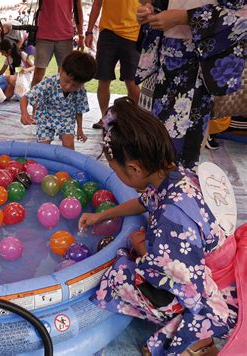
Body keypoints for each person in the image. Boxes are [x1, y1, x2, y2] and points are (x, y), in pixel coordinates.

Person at [78, 97, 238, 355]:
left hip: (210, 289)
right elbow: (145, 202)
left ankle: (195, 338)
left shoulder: (171, 218)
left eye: (114, 169)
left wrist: (142, 248)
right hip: (201, 263)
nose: (116, 174)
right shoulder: (177, 175)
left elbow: (180, 282)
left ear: (133, 168)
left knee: (119, 272)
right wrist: (100, 217)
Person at [136, 0, 246, 169]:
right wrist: (151, 10)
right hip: (164, 60)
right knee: (156, 138)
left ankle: (177, 189)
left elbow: (241, 14)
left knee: (181, 146)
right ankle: (160, 188)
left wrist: (186, 17)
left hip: (197, 64)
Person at [20, 51, 96, 150]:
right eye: (67, 81)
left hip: (66, 119)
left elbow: (79, 110)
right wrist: (24, 113)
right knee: (43, 147)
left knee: (69, 146)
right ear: (61, 70)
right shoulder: (48, 83)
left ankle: (67, 165)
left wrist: (80, 129)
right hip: (46, 117)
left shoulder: (80, 91)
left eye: (75, 85)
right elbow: (25, 98)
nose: (69, 87)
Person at [85, 0, 141, 129]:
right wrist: (89, 31)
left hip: (133, 34)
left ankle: (129, 119)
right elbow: (97, 4)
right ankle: (105, 117)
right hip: (108, 33)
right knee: (103, 80)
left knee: (132, 83)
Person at [30, 0, 84, 87]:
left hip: (65, 36)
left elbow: (78, 10)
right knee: (38, 75)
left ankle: (61, 99)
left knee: (65, 75)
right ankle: (33, 99)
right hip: (44, 35)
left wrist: (81, 35)